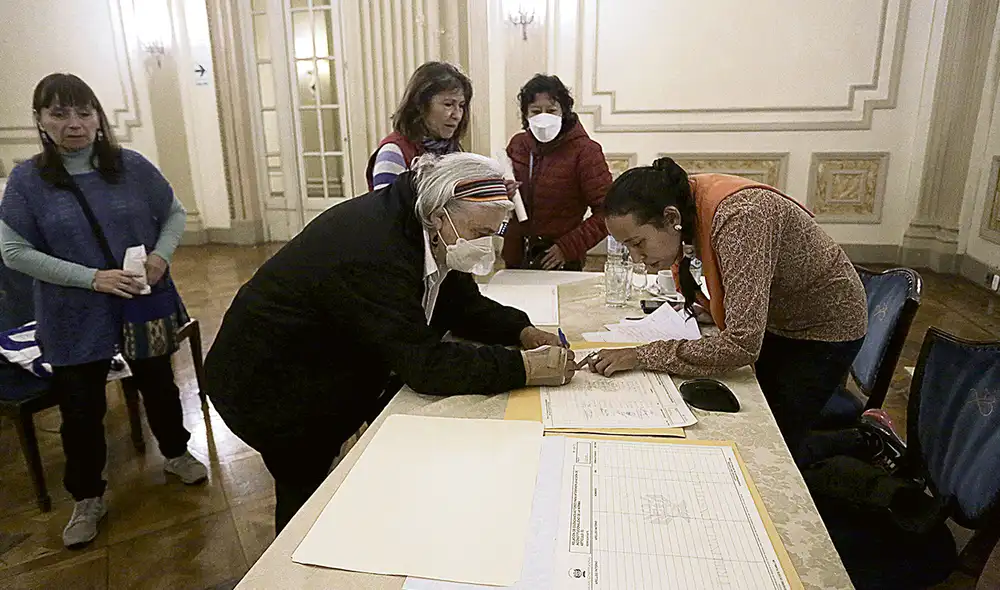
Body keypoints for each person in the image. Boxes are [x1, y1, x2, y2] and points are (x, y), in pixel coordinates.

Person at [206, 152, 577, 533]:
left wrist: (521, 331)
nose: (488, 246)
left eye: (495, 233)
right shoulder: (374, 248)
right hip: (269, 382)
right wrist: (523, 368)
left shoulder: (428, 226)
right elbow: (424, 364)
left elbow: (460, 304)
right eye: (481, 233)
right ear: (439, 215)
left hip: (323, 356)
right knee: (306, 486)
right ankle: (295, 566)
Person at [0, 73, 207, 548]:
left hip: (142, 302)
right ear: (40, 121)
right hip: (73, 312)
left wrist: (161, 256)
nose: (73, 124)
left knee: (158, 383)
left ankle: (176, 452)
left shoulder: (131, 166)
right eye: (59, 113)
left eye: (83, 111)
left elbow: (174, 213)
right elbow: (14, 252)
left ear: (98, 117)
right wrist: (92, 278)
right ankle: (87, 494)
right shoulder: (28, 181)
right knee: (80, 408)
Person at [585, 157, 868, 457]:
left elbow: (742, 344)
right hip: (780, 317)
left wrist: (640, 355)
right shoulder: (687, 200)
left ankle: (859, 444)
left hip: (823, 327)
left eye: (638, 242)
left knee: (774, 447)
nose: (636, 257)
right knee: (756, 415)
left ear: (671, 218)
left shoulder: (741, 217)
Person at [502, 74, 611, 271]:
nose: (543, 117)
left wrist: (568, 247)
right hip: (516, 255)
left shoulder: (586, 151)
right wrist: (500, 193)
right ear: (526, 115)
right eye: (535, 111)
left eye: (551, 110)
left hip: (559, 259)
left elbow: (608, 212)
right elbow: (504, 201)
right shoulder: (518, 145)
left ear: (564, 112)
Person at [365, 62, 471, 191]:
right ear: (420, 106)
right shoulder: (394, 152)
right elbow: (385, 210)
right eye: (448, 104)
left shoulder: (453, 151)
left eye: (461, 106)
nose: (457, 115)